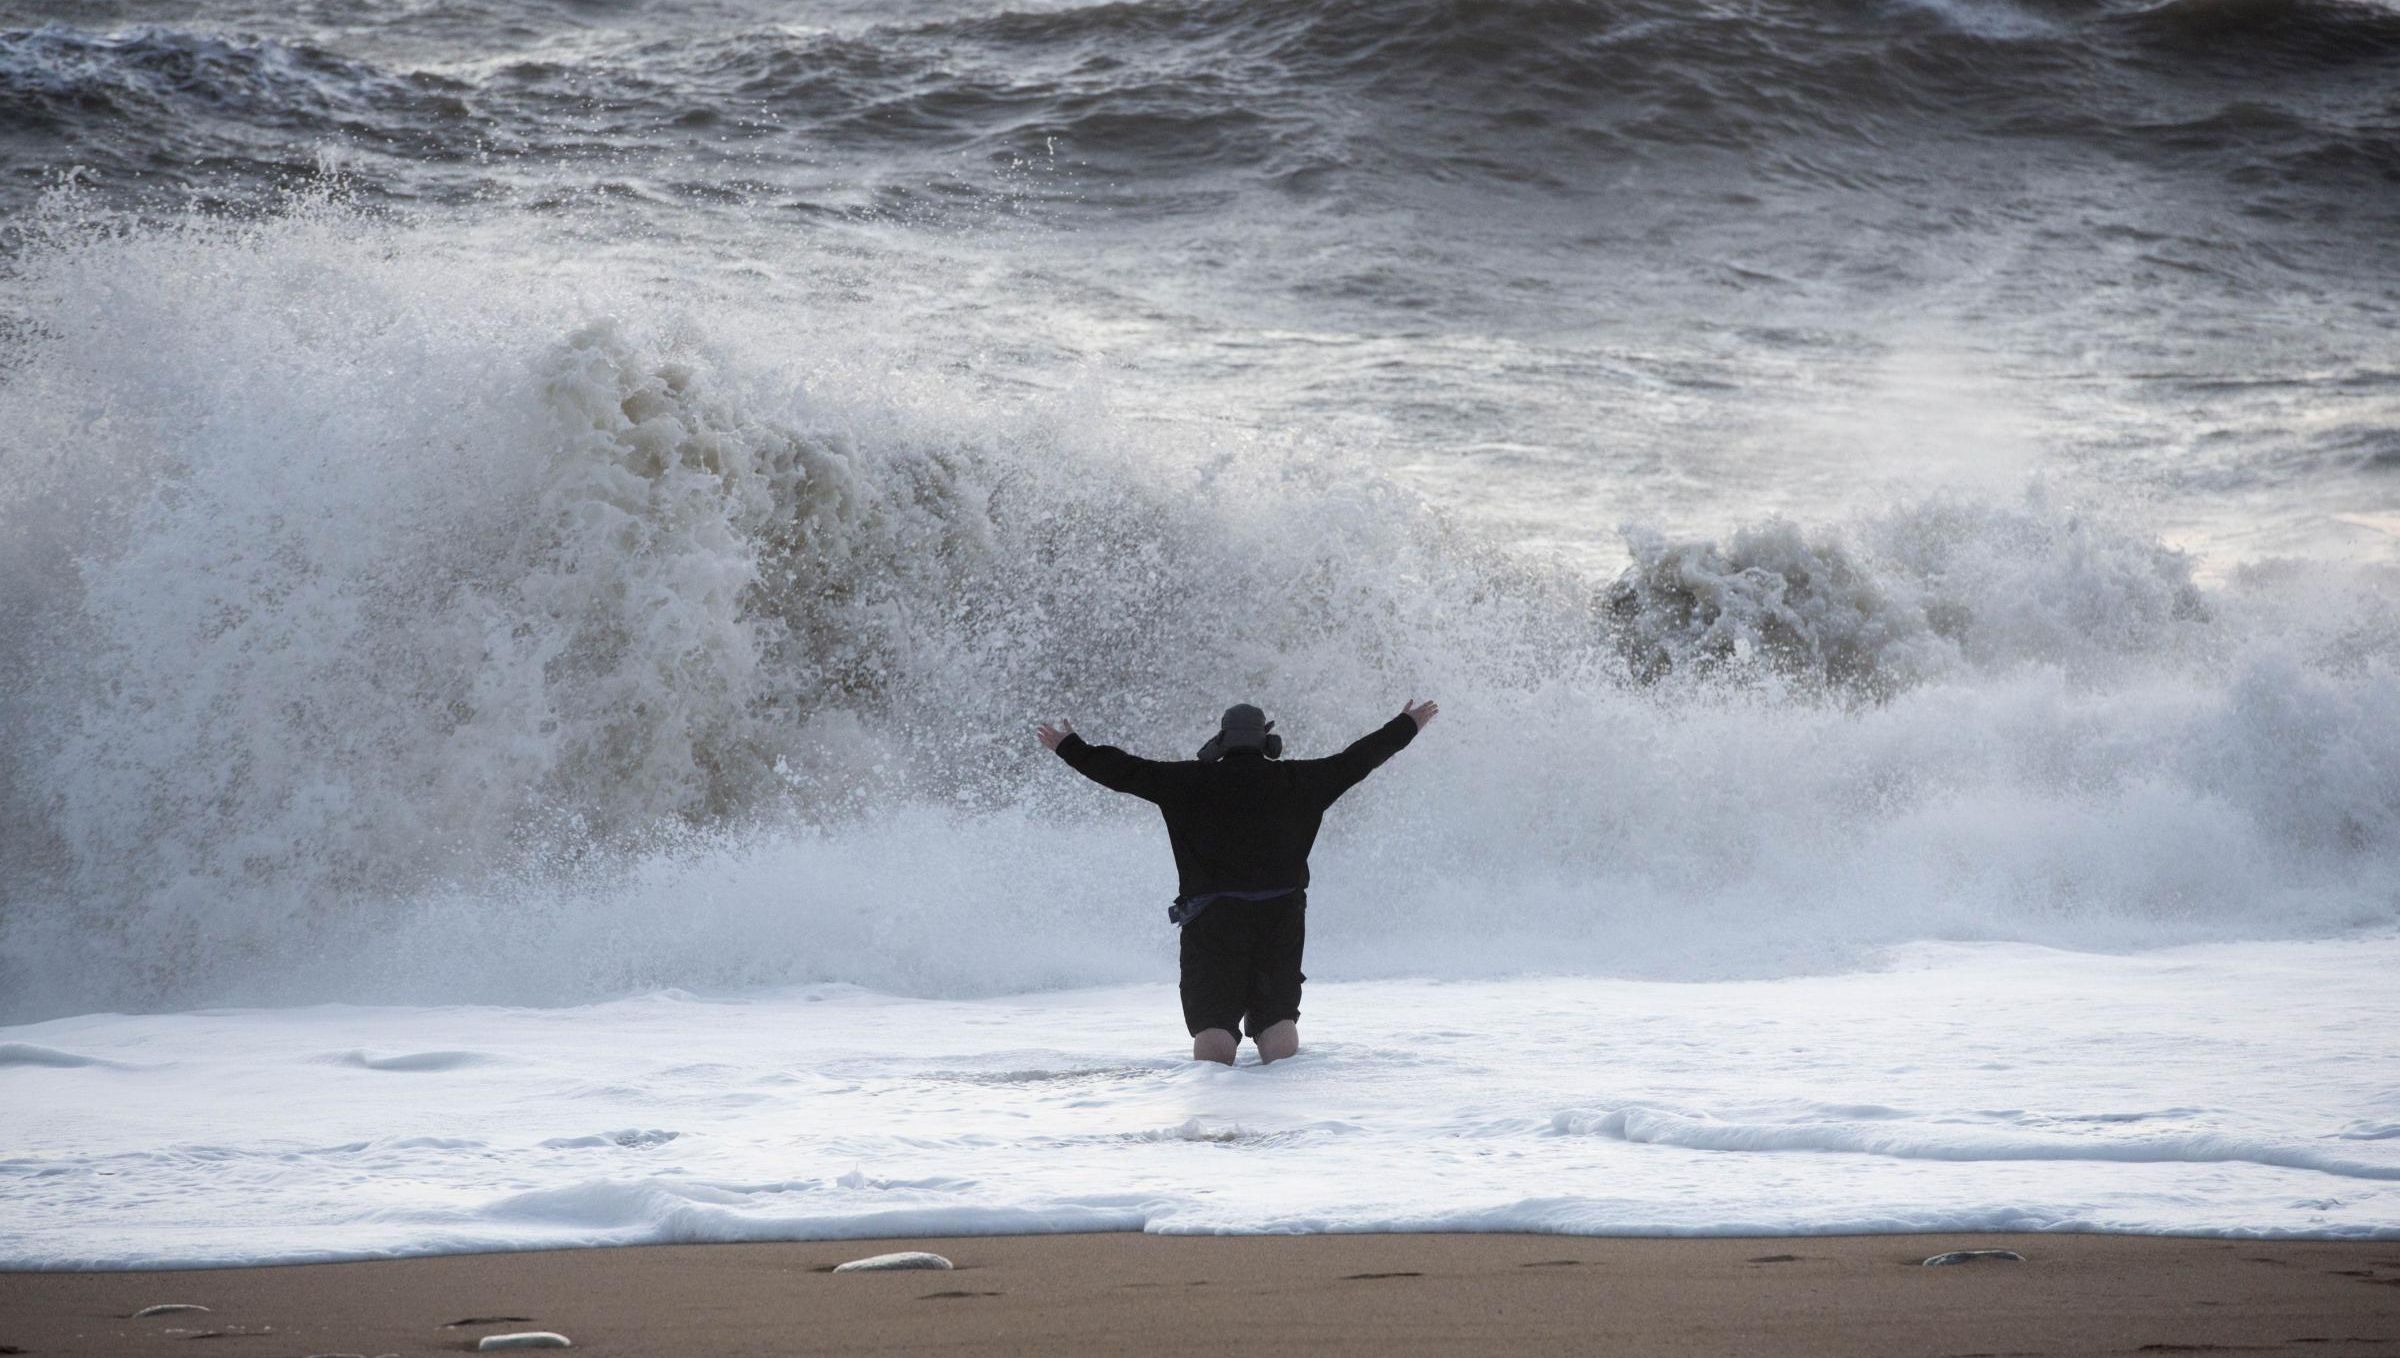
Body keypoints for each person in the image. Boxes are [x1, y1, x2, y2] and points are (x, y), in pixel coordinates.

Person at [1036, 699, 1438, 1066]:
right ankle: (1287, 1123)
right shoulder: (1302, 780)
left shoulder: (1185, 782)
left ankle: (1213, 1121)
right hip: (1280, 918)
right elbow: (1359, 759)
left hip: (1212, 921)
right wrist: (1406, 724)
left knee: (1213, 1027)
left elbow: (1123, 771)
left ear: (1221, 741)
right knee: (1277, 1025)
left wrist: (1069, 745)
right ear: (1267, 740)